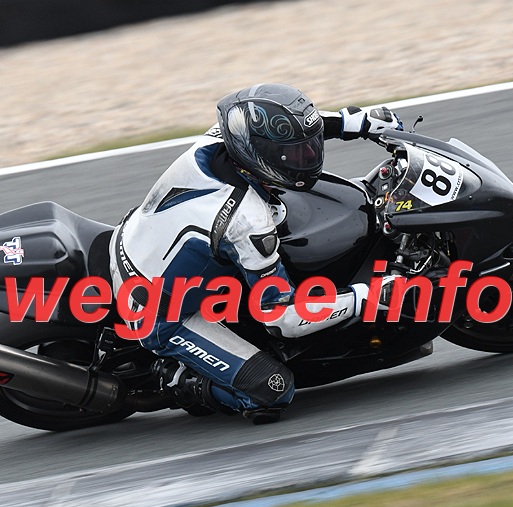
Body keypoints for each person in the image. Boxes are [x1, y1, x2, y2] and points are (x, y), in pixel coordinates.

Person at [109, 83, 403, 424]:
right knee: (273, 389)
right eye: (296, 154)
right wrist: (367, 296)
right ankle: (176, 378)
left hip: (138, 238)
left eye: (308, 148)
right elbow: (282, 318)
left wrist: (354, 122)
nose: (308, 157)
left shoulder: (227, 137)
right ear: (262, 156)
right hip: (159, 311)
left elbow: (286, 129)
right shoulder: (246, 220)